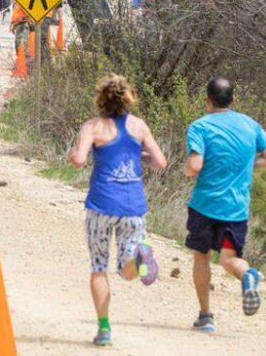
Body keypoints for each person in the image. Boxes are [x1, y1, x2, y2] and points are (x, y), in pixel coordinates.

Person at [67, 74, 167, 346]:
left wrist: (75, 153)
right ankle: (139, 258)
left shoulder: (92, 127)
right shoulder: (139, 126)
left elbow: (78, 160)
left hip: (101, 204)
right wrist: (138, 156)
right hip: (133, 206)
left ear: (101, 98)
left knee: (99, 267)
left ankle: (104, 329)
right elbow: (160, 162)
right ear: (128, 98)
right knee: (126, 270)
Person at [182, 77, 266, 332]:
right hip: (236, 210)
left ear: (207, 100)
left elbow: (194, 166)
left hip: (205, 206)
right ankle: (248, 275)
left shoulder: (200, 127)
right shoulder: (250, 125)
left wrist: (188, 169)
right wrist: (250, 166)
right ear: (233, 99)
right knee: (229, 259)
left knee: (201, 256)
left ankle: (205, 316)